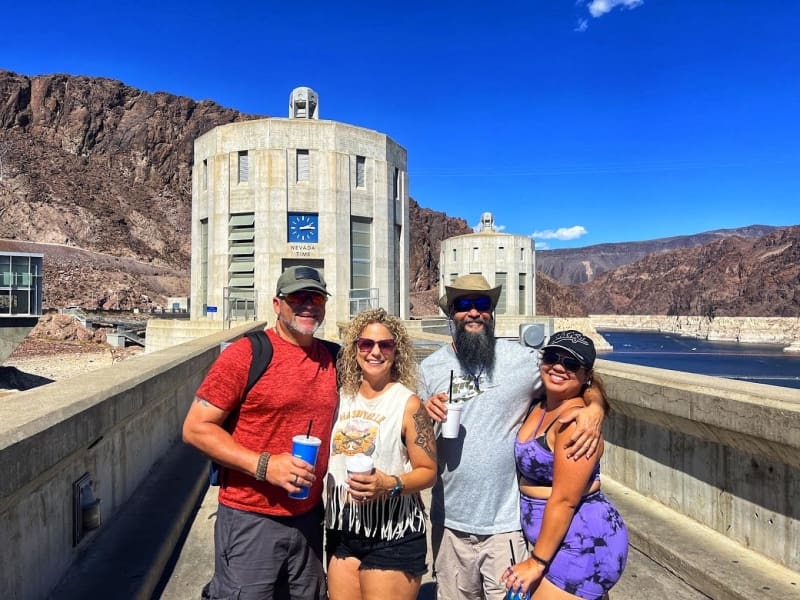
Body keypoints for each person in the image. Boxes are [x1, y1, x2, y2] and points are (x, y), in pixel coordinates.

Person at [419, 274, 606, 600]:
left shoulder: (523, 361)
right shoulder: (430, 368)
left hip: (505, 526)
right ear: (451, 312)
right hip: (449, 522)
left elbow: (571, 376)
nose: (473, 312)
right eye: (464, 305)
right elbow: (417, 441)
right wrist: (423, 414)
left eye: (482, 305)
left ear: (492, 312)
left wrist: (595, 407)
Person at [182, 265, 338, 600]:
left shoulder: (332, 358)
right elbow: (196, 428)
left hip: (309, 518)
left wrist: (424, 410)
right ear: (277, 304)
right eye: (297, 297)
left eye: (316, 297)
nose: (308, 304)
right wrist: (265, 466)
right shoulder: (247, 354)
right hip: (250, 517)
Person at [503, 330, 627, 600]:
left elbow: (565, 500)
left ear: (586, 375)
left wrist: (536, 562)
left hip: (584, 545)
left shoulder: (576, 424)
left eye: (571, 363)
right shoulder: (539, 405)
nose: (559, 366)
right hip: (556, 544)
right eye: (552, 356)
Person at [325, 307, 437, 600]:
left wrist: (388, 484)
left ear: (396, 351)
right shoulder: (339, 397)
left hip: (393, 533)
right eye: (366, 344)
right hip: (344, 530)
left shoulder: (408, 404)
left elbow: (428, 471)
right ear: (355, 349)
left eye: (385, 345)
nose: (375, 352)